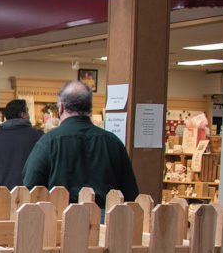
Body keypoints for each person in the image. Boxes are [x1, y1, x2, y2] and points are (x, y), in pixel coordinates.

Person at [22, 80, 140, 208]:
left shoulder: (47, 142)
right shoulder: (113, 143)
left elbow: (31, 185)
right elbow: (130, 193)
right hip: (105, 220)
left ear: (61, 107)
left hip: (59, 217)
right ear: (89, 108)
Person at [0, 99, 42, 189]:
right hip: (30, 196)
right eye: (27, 112)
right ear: (22, 114)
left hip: (1, 197)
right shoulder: (38, 136)